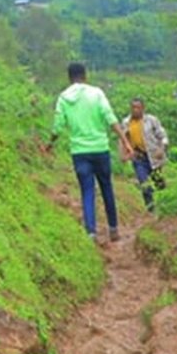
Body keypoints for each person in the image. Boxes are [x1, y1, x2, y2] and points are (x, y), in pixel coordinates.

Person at [46, 63, 132, 242]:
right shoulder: (97, 93)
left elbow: (58, 126)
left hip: (80, 152)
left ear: (69, 77)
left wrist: (50, 144)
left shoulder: (63, 98)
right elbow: (110, 118)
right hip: (100, 149)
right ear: (85, 75)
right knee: (106, 186)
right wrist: (125, 141)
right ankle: (113, 229)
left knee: (87, 190)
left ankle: (91, 232)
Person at [116, 98, 170, 212]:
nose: (135, 110)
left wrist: (162, 148)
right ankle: (151, 210)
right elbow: (122, 139)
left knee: (159, 183)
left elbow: (163, 135)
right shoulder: (126, 122)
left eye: (138, 107)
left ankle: (166, 207)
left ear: (143, 108)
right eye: (133, 107)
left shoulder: (151, 120)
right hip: (138, 158)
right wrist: (123, 155)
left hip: (154, 157)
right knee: (144, 185)